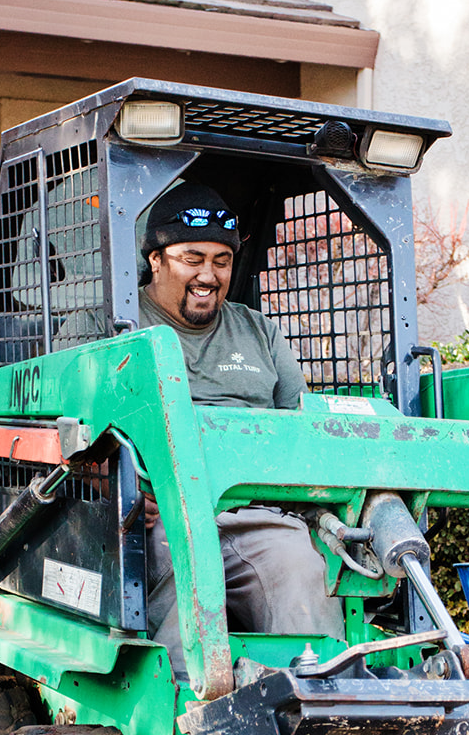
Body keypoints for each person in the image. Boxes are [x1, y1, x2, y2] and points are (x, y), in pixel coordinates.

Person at [137, 183, 343, 675]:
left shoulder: (258, 331)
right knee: (180, 563)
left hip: (254, 511)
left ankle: (316, 694)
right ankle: (182, 700)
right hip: (158, 514)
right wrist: (114, 490)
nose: (208, 275)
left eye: (222, 261)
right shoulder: (112, 322)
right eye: (192, 258)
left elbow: (303, 427)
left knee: (301, 565)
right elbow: (61, 430)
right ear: (156, 260)